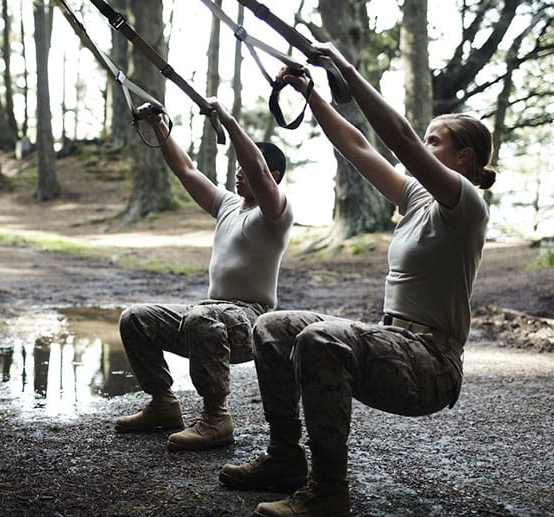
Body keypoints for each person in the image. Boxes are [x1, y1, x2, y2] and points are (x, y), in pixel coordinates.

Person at [218, 43, 497, 517]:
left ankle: (329, 491)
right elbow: (358, 146)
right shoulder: (417, 199)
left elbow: (401, 139)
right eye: (428, 139)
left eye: (436, 141)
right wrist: (313, 95)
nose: (423, 147)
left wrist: (344, 67)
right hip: (396, 343)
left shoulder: (466, 204)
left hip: (432, 365)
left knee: (321, 339)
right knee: (273, 326)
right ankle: (286, 457)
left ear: (464, 157)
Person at [115, 99, 295, 452]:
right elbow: (186, 170)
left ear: (272, 176)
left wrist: (226, 120)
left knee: (202, 317)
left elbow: (257, 170)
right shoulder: (228, 204)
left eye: (245, 165)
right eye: (238, 166)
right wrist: (158, 127)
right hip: (210, 312)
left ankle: (216, 418)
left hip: (251, 322)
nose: (239, 171)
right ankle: (164, 405)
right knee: (135, 318)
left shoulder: (277, 214)